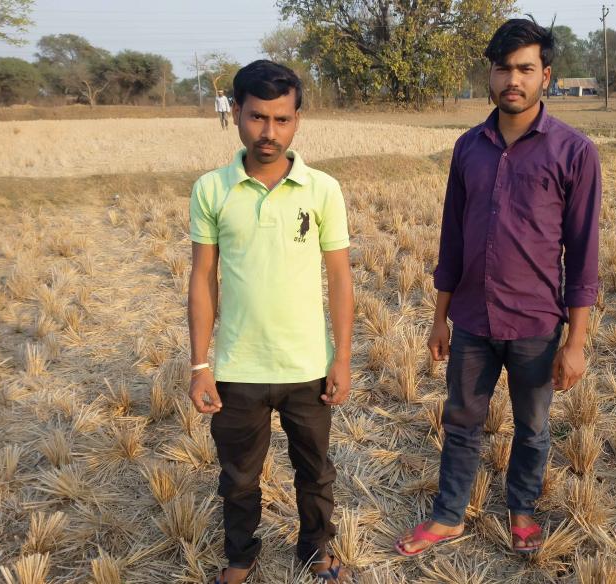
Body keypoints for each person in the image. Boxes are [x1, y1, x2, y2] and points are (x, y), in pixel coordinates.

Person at [395, 17, 601, 556]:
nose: (514, 79)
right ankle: (448, 516)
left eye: (525, 69)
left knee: (532, 427)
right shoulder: (468, 148)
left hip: (535, 322)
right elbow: (452, 238)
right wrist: (439, 318)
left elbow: (583, 254)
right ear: (490, 75)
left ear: (546, 76)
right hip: (471, 319)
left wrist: (576, 343)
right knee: (461, 420)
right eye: (504, 68)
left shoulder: (575, 152)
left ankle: (522, 510)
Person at [188, 60, 354, 583]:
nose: (269, 132)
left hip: (308, 366)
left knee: (316, 472)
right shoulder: (211, 190)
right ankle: (240, 557)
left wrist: (342, 359)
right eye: (258, 117)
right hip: (239, 367)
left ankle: (316, 550)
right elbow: (203, 279)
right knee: (238, 478)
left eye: (282, 119)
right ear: (236, 113)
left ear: (297, 120)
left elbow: (340, 279)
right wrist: (200, 365)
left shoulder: (322, 189)